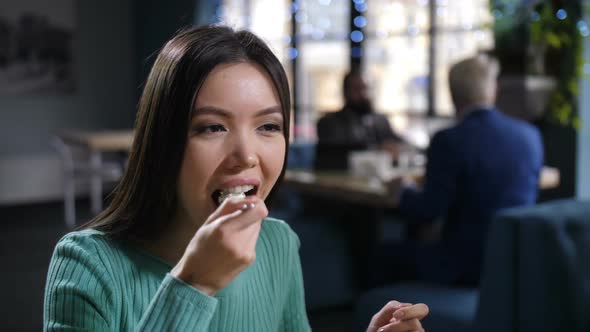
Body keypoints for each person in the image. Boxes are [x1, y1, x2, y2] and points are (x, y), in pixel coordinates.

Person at [43, 25, 428, 331]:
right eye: (212, 127)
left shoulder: (277, 244)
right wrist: (192, 286)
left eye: (268, 126)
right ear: (162, 141)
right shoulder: (88, 265)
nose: (246, 155)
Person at [376, 54, 544, 287]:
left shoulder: (448, 141)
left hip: (464, 267)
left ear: (453, 95)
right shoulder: (530, 136)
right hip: (515, 263)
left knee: (379, 255)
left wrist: (403, 191)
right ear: (491, 91)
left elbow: (429, 210)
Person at [314, 66, 406, 170]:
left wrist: (397, 148)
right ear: (345, 92)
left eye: (365, 88)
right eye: (357, 89)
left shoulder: (380, 121)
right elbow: (338, 153)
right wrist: (377, 150)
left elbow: (399, 142)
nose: (363, 94)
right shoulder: (329, 123)